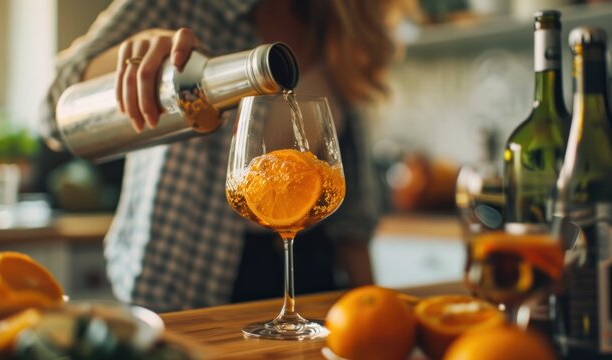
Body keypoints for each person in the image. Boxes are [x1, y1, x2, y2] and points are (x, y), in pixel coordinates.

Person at [43, 0, 415, 312]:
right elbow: (49, 112)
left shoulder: (337, 25)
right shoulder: (180, 5)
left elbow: (352, 214)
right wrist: (140, 46)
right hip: (186, 284)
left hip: (312, 274)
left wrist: (377, 314)